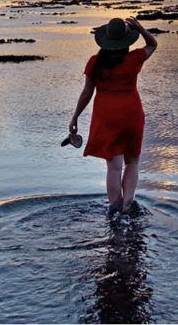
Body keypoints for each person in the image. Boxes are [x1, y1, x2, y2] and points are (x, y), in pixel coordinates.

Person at [68, 15, 158, 212]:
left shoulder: (95, 62)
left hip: (106, 116)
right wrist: (141, 29)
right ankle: (127, 205)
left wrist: (75, 117)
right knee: (132, 162)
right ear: (126, 42)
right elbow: (153, 44)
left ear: (105, 41)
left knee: (114, 167)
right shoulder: (134, 59)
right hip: (131, 114)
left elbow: (86, 93)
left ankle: (114, 208)